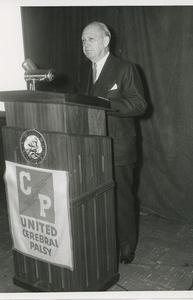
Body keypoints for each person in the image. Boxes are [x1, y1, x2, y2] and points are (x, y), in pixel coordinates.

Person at [75, 21, 147, 264]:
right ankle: (104, 244)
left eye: (91, 39)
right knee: (96, 199)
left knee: (122, 199)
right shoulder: (84, 71)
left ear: (106, 41)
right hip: (91, 147)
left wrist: (105, 103)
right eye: (83, 40)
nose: (86, 45)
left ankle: (127, 247)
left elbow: (139, 104)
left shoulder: (126, 68)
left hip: (118, 147)